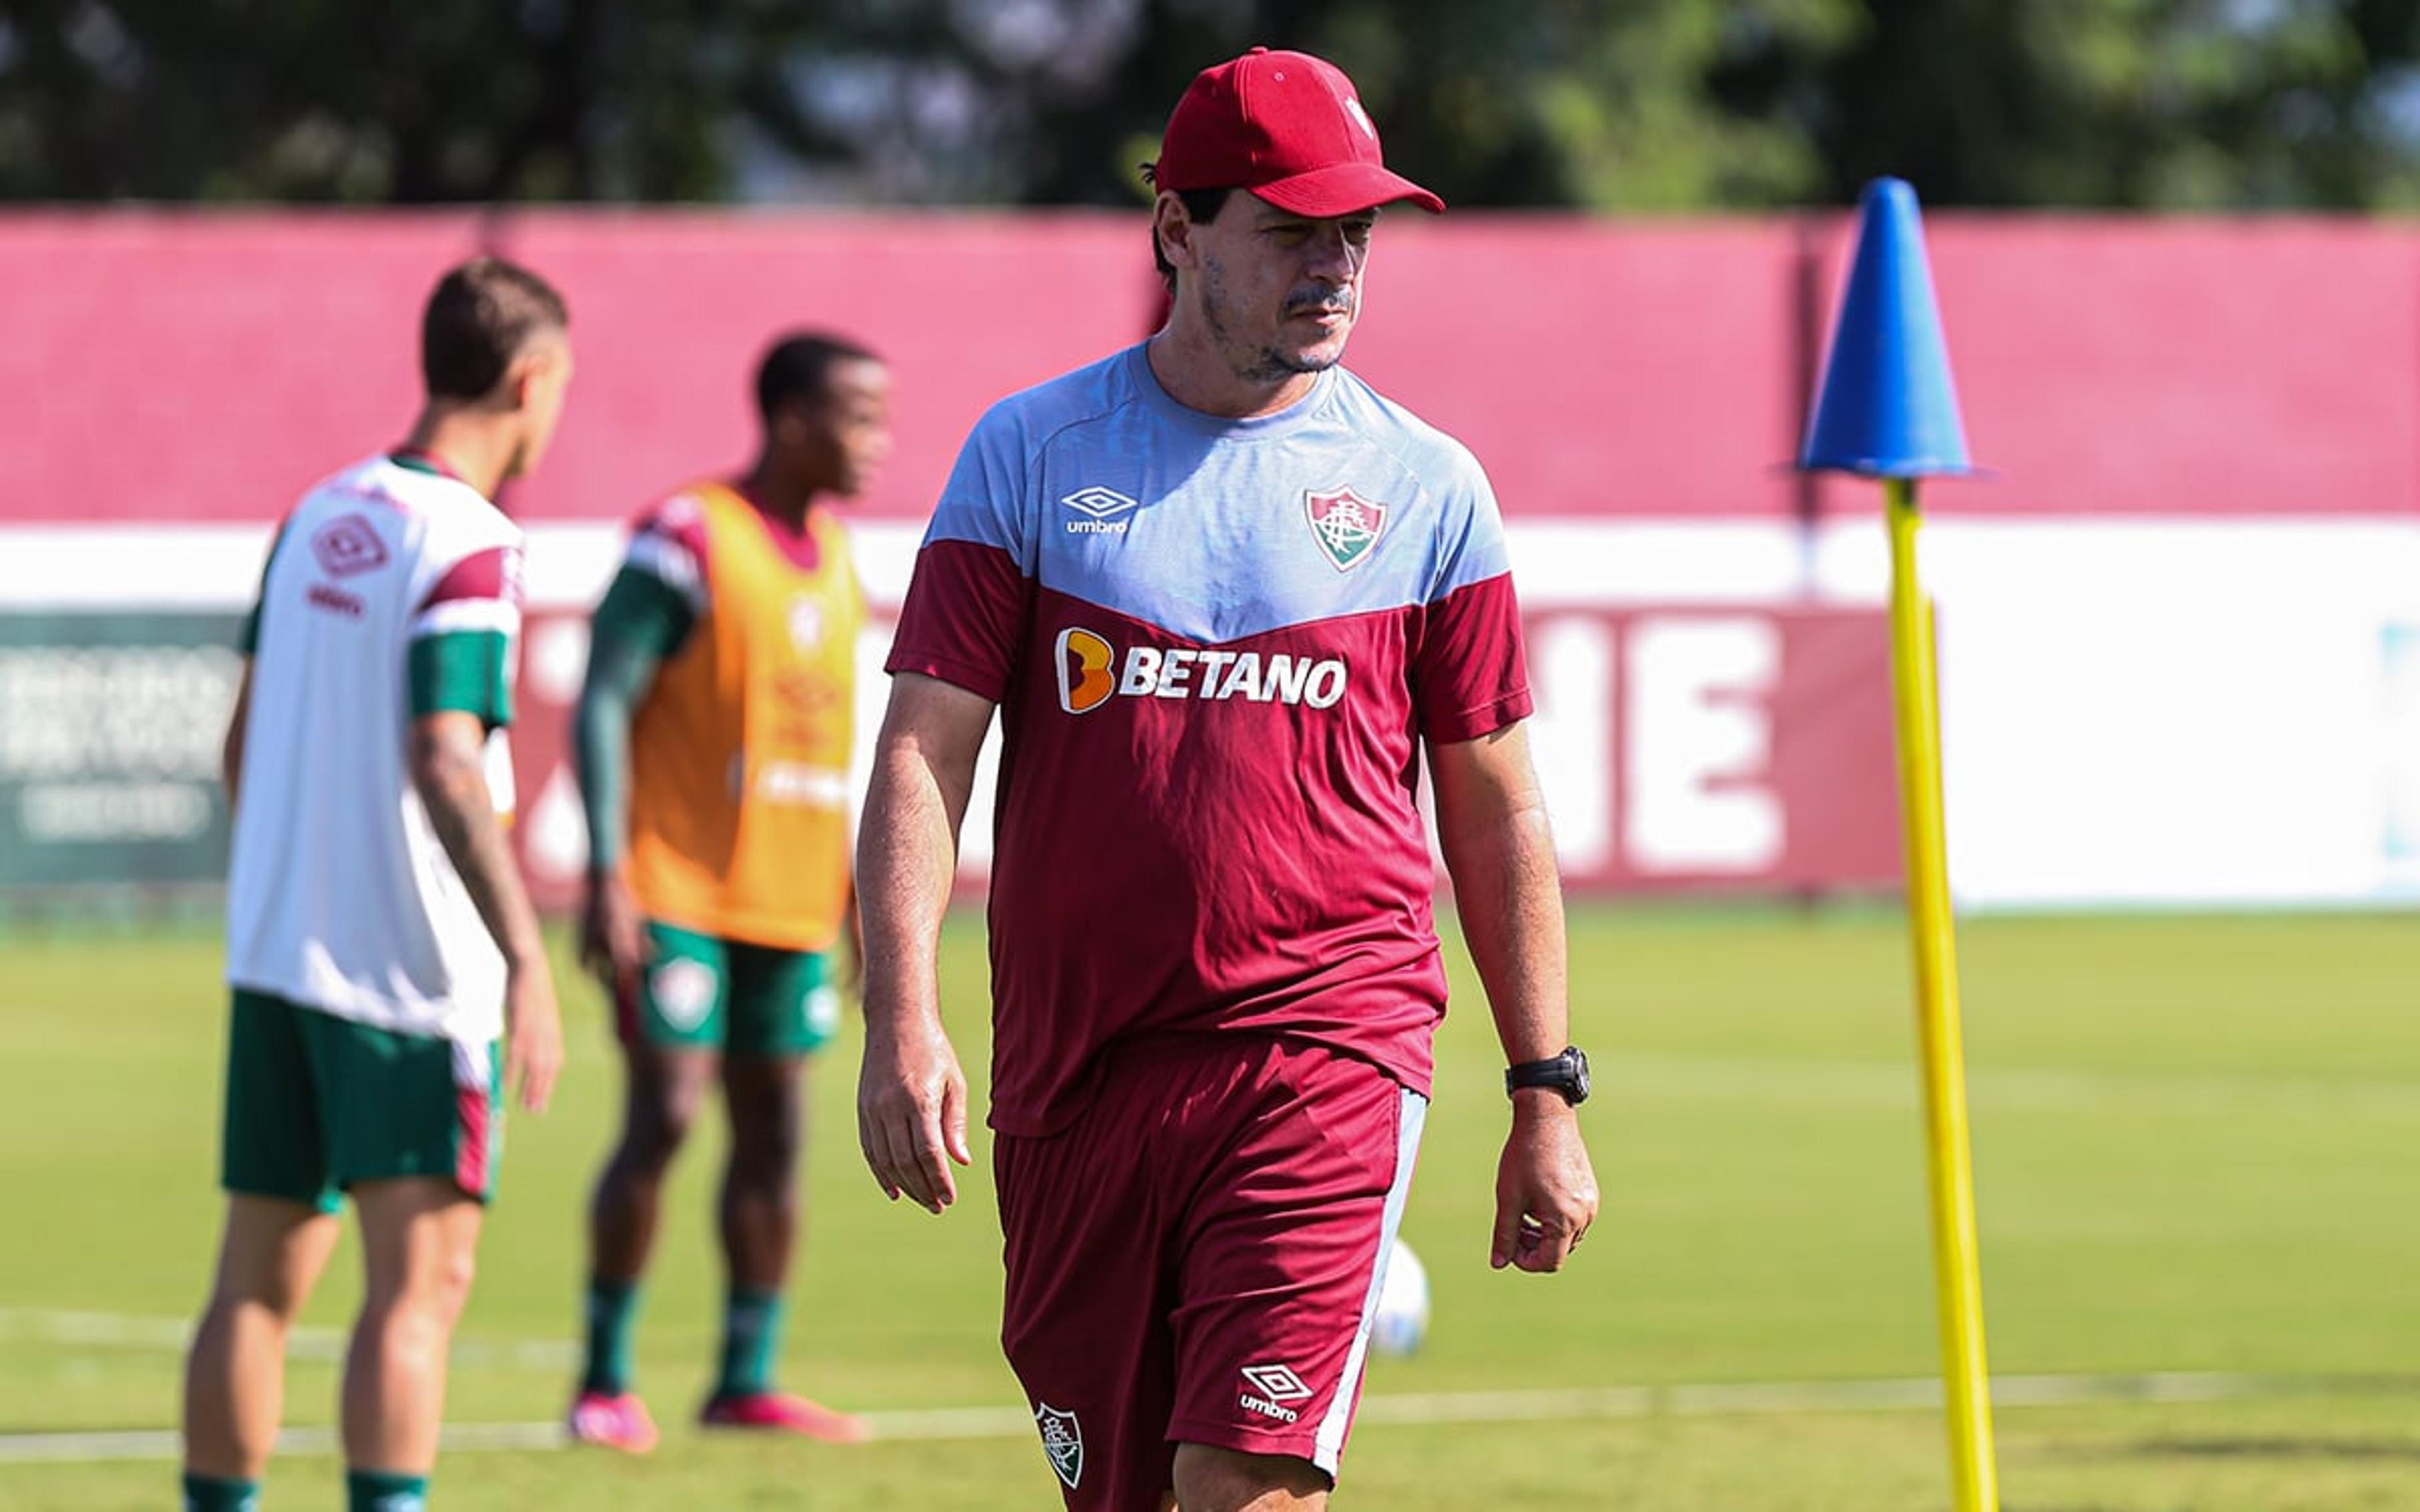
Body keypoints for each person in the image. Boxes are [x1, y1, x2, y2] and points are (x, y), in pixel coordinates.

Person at [855, 45, 1599, 1512]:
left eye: (1356, 235)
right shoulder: (1028, 453)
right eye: (1293, 232)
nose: (1336, 266)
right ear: (1179, 233)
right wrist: (903, 1014)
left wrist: (1544, 1092)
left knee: (1245, 1489)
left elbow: (1497, 803)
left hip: (1325, 1047)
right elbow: (923, 750)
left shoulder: (1428, 487)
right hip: (1072, 1081)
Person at [183, 256, 572, 1512]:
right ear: (529, 377)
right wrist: (523, 960)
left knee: (252, 1282)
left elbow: (243, 744)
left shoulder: (315, 513)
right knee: (418, 1291)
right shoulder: (471, 539)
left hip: (279, 964)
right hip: (412, 978)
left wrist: (299, 885)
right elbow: (450, 757)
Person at [566, 333, 892, 1451]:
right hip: (673, 886)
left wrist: (858, 896)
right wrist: (607, 868)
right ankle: (604, 1379)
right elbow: (603, 697)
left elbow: (830, 738)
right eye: (860, 418)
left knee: (777, 1136)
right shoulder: (685, 537)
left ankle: (744, 1379)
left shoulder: (842, 559)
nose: (879, 443)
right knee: (661, 1113)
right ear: (795, 420)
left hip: (792, 901)